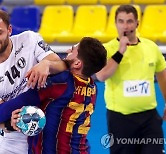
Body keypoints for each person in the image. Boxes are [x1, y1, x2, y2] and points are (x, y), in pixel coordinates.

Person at [0, 37, 107, 153]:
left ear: (77, 63)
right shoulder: (92, 87)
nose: (67, 52)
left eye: (72, 51)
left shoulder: (61, 81)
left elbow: (18, 104)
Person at [96, 5, 166, 154]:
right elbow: (101, 75)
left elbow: (163, 76)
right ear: (115, 23)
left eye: (130, 21)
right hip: (120, 119)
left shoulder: (151, 47)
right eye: (121, 21)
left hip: (149, 118)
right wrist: (120, 52)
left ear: (137, 24)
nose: (125, 26)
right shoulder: (107, 49)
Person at [0, 10, 67, 154]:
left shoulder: (29, 39)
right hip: (12, 140)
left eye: (0, 32)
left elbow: (61, 66)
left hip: (47, 130)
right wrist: (7, 125)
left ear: (9, 30)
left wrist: (47, 64)